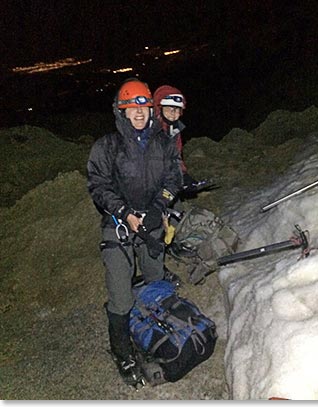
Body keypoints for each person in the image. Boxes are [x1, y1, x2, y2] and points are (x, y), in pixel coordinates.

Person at [87, 78, 183, 386]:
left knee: (156, 281)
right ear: (122, 112)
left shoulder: (163, 143)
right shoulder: (106, 147)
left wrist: (157, 208)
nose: (139, 115)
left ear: (150, 111)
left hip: (152, 223)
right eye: (132, 109)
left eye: (143, 108)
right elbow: (99, 187)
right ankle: (122, 352)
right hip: (119, 225)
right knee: (120, 296)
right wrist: (123, 213)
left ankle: (156, 331)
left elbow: (173, 180)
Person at [153, 85, 198, 189]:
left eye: (178, 110)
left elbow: (175, 157)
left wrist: (183, 175)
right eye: (170, 109)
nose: (174, 114)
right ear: (160, 108)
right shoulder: (150, 129)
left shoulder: (174, 130)